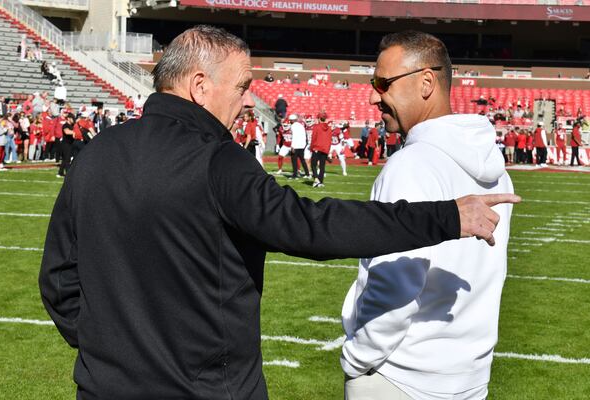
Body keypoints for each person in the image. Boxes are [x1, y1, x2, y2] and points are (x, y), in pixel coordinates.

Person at [39, 26, 518, 400]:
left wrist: (109, 348)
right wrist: (444, 218)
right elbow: (309, 226)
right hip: (207, 388)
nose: (250, 100)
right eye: (243, 86)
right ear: (200, 86)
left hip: (104, 387)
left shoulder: (97, 152)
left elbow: (59, 280)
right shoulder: (215, 159)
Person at [341, 30, 515, 400]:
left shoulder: (411, 165)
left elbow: (396, 282)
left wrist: (358, 360)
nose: (375, 96)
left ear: (426, 82)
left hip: (402, 377)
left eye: (383, 83)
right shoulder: (495, 166)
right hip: (467, 376)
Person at [310, 112, 332, 187]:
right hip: (325, 148)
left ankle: (316, 179)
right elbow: (329, 140)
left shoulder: (316, 126)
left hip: (317, 147)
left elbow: (313, 137)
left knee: (313, 164)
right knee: (322, 166)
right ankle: (321, 182)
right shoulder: (329, 128)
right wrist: (328, 150)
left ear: (319, 118)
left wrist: (311, 147)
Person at [288, 113, 310, 178]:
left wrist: (292, 146)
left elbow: (294, 136)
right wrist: (303, 145)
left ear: (292, 120)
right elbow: (304, 135)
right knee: (302, 160)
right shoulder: (301, 125)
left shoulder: (293, 126)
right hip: (302, 145)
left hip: (296, 145)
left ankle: (295, 175)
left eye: (290, 120)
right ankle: (307, 173)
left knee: (294, 161)